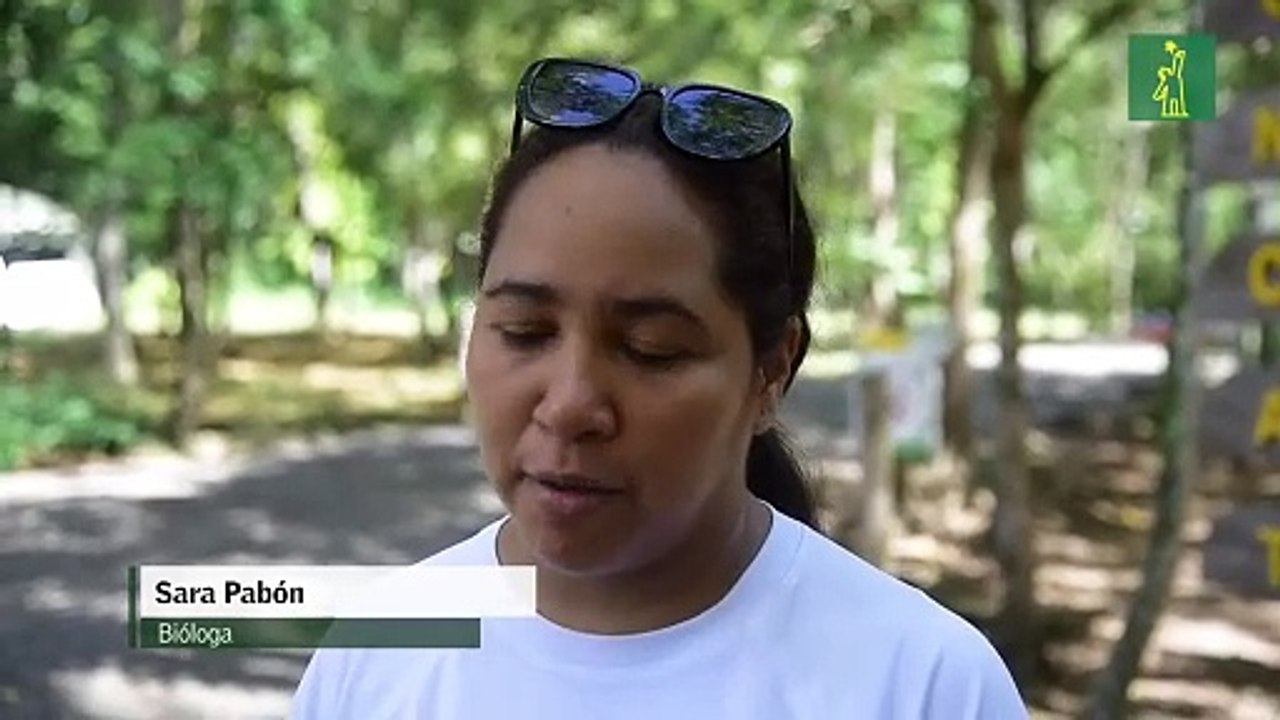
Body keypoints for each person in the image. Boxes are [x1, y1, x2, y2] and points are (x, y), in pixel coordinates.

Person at [290, 57, 1027, 719]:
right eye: (524, 331)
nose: (572, 403)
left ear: (771, 370)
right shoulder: (380, 651)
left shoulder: (924, 684)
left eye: (650, 349)